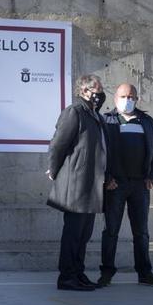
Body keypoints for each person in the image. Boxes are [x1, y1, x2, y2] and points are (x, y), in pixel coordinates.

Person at [97, 84, 153, 288]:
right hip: (114, 185)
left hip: (140, 186)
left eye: (131, 96)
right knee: (111, 231)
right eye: (123, 96)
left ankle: (145, 273)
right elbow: (98, 151)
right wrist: (106, 177)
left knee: (141, 233)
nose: (128, 99)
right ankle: (107, 273)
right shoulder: (106, 120)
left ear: (137, 98)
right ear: (115, 97)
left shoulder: (147, 121)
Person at [46, 75, 108, 291]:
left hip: (91, 185)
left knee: (84, 235)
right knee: (73, 234)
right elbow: (58, 143)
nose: (100, 94)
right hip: (76, 185)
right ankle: (66, 277)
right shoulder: (75, 112)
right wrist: (53, 169)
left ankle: (78, 273)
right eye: (96, 90)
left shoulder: (94, 115)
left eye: (101, 89)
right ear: (83, 90)